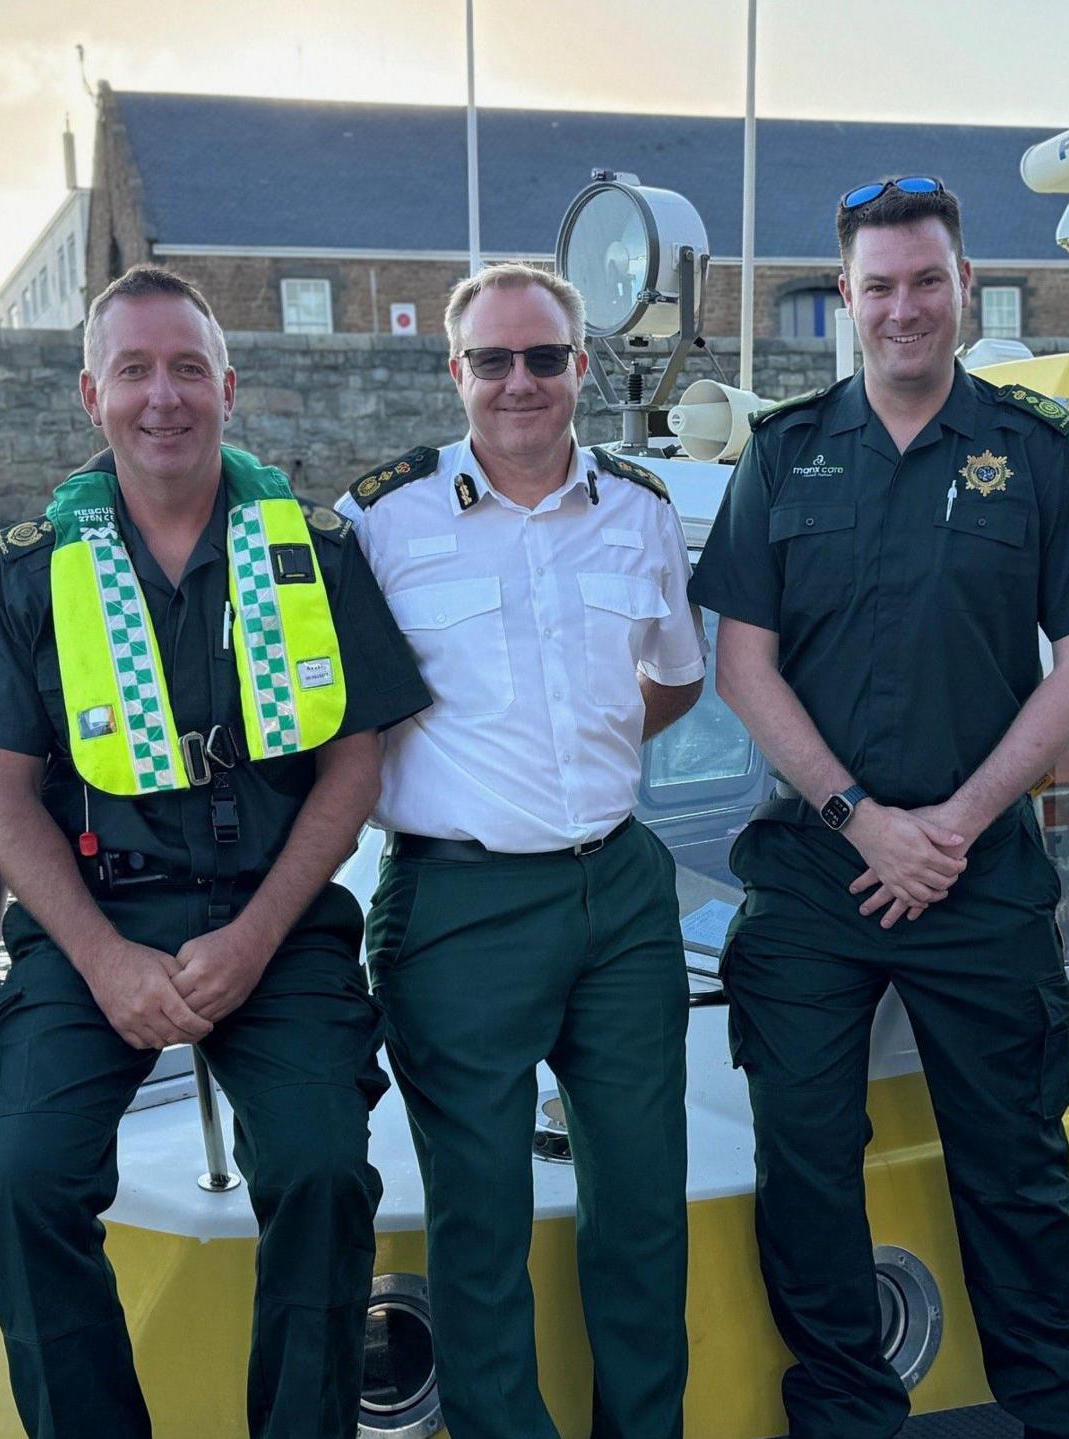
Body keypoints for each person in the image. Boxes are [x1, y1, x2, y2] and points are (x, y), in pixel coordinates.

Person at [687, 176, 1069, 1439]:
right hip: (812, 869)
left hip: (978, 868)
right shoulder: (782, 454)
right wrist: (861, 817)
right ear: (844, 297)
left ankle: (1065, 1414)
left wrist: (946, 825)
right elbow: (742, 664)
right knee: (802, 1170)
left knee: (1014, 1176)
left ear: (963, 288)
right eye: (878, 285)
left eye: (926, 281)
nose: (904, 307)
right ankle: (846, 1417)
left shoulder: (1035, 451)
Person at [0, 265, 429, 1438]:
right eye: (136, 371)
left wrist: (256, 937)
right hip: (95, 923)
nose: (166, 396)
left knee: (318, 1172)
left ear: (228, 384)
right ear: (90, 393)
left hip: (276, 920)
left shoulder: (310, 550)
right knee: (22, 1183)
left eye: (189, 369)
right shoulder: (26, 570)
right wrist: (105, 961)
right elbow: (0, 797)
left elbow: (353, 768)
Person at [338, 262, 704, 1439]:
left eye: (543, 356)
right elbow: (340, 722)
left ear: (581, 366)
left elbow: (673, 681)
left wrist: (577, 768)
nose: (519, 381)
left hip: (621, 890)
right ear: (455, 374)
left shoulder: (640, 510)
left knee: (646, 1203)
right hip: (459, 903)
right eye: (491, 359)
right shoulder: (377, 521)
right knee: (479, 1219)